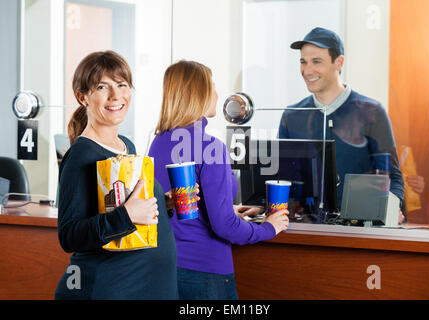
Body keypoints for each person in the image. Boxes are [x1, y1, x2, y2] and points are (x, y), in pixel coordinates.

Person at [148, 60, 289, 300]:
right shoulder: (211, 147)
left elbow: (176, 206)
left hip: (164, 269)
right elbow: (224, 227)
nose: (217, 93)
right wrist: (268, 228)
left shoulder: (157, 143)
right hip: (205, 272)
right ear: (199, 94)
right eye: (212, 86)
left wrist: (229, 209)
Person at [54, 50, 177, 299]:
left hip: (147, 286)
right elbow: (69, 236)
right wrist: (127, 215)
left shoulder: (126, 146)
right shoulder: (81, 156)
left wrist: (164, 203)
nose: (116, 96)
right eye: (102, 87)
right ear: (83, 97)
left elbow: (119, 204)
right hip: (110, 288)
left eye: (122, 85)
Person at [278, 27, 405, 222]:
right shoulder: (292, 115)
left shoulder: (372, 112)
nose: (307, 70)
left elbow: (392, 177)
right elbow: (282, 179)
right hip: (304, 229)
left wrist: (391, 209)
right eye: (303, 62)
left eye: (316, 61)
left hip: (358, 230)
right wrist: (262, 205)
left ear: (339, 62)